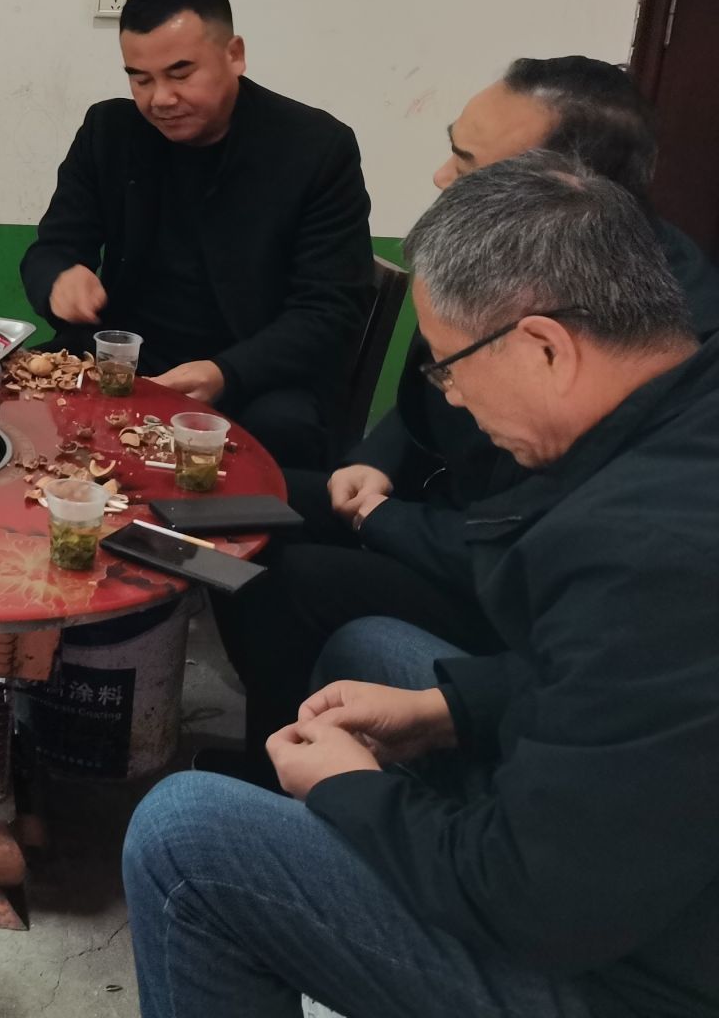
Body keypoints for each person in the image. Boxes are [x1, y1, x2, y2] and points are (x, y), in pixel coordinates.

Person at [123, 156, 719, 1018]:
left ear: (545, 347)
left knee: (184, 836)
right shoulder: (686, 408)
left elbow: (534, 900)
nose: (454, 398)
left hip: (638, 973)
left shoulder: (642, 550)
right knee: (370, 649)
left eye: (448, 367)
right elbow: (648, 687)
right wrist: (447, 710)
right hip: (637, 859)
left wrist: (352, 790)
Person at [212, 57, 719, 776]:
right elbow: (433, 390)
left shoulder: (649, 349)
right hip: (444, 517)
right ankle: (282, 751)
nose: (441, 177)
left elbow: (529, 547)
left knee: (287, 578)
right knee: (235, 498)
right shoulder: (502, 263)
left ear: (563, 189)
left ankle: (293, 766)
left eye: (471, 164)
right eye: (452, 147)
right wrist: (375, 465)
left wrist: (381, 521)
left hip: (502, 583)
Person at [19, 0, 373, 469]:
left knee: (282, 428)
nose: (160, 98)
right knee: (9, 397)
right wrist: (60, 279)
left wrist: (226, 372)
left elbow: (330, 311)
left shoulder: (314, 149)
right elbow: (52, 247)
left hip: (253, 373)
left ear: (234, 55)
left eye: (181, 74)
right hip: (127, 359)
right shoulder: (111, 132)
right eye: (141, 78)